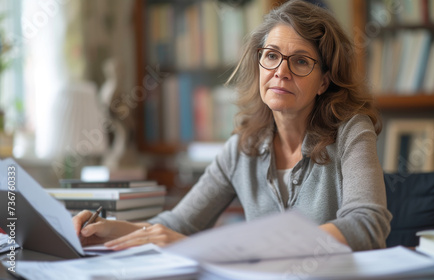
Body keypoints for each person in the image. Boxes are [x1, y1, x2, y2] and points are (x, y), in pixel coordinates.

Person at [73, 0, 392, 252]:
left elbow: (367, 224)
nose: (281, 71)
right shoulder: (243, 147)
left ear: (324, 80)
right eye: (271, 55)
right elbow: (179, 223)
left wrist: (242, 246)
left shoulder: (352, 131)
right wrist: (106, 228)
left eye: (300, 60)